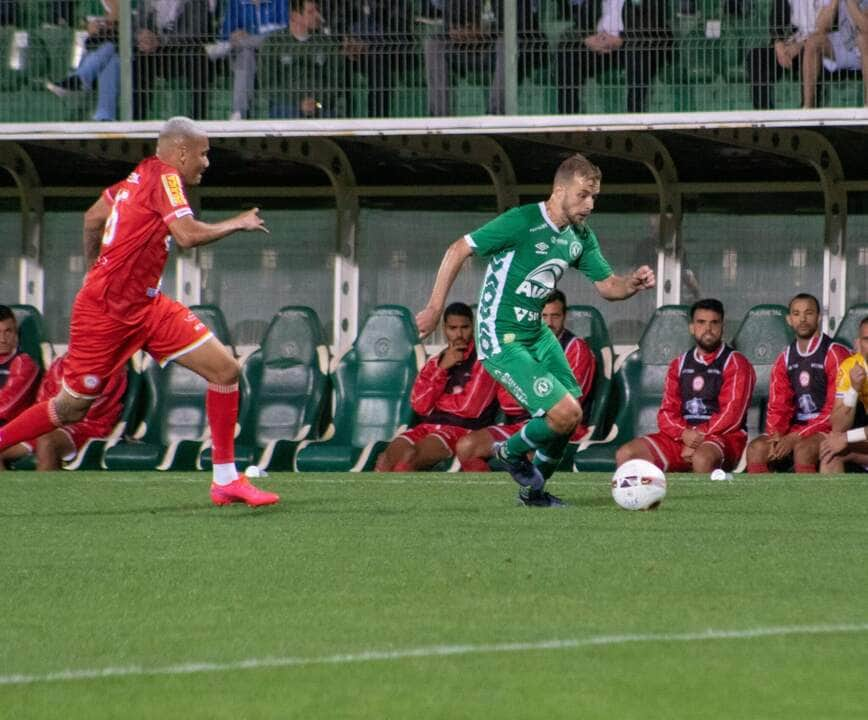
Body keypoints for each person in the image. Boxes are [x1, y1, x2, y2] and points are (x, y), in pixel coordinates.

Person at [0, 116, 278, 506]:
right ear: (181, 152)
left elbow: (93, 217)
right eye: (203, 153)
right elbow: (186, 235)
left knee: (226, 370)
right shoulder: (165, 178)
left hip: (146, 305)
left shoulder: (139, 175)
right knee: (71, 407)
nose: (206, 162)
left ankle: (225, 479)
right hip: (106, 313)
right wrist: (240, 223)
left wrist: (94, 266)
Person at [416, 153, 656, 507]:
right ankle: (509, 452)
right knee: (563, 414)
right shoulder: (523, 221)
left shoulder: (579, 237)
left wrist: (631, 283)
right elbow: (458, 249)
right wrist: (436, 307)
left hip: (535, 332)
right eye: (582, 195)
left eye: (594, 197)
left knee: (570, 414)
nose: (589, 204)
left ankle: (533, 492)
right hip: (500, 335)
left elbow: (607, 286)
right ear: (559, 190)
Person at [455, 290, 596, 472]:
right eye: (543, 316)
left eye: (555, 316)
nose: (549, 322)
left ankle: (532, 495)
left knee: (532, 453)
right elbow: (506, 401)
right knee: (467, 446)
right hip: (522, 425)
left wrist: (527, 390)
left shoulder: (575, 348)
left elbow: (570, 401)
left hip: (558, 428)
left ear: (565, 316)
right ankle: (489, 498)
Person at [615, 298, 756, 474]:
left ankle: (703, 501)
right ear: (691, 327)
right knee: (627, 454)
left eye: (714, 323)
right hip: (682, 436)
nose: (708, 329)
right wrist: (684, 435)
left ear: (722, 327)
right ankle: (641, 501)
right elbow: (666, 413)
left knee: (702, 458)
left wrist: (697, 438)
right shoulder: (679, 364)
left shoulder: (736, 362)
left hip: (723, 437)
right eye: (701, 322)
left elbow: (731, 416)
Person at [376, 302, 497, 471]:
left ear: (473, 326)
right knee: (386, 459)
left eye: (465, 327)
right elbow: (419, 405)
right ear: (444, 329)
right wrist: (442, 370)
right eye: (453, 328)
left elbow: (469, 408)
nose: (459, 334)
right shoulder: (435, 361)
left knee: (408, 458)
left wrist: (436, 401)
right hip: (427, 427)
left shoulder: (484, 361)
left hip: (461, 430)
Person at [745, 294, 850, 473]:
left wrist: (796, 437)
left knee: (803, 449)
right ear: (789, 319)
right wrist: (776, 434)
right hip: (796, 429)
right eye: (796, 314)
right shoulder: (784, 358)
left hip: (828, 428)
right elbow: (778, 406)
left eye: (808, 313)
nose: (802, 319)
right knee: (757, 449)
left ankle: (805, 500)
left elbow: (835, 411)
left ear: (818, 317)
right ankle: (763, 500)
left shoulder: (834, 353)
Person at [0, 354, 126, 471]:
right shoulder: (60, 364)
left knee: (47, 440)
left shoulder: (110, 366)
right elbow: (42, 402)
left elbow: (87, 410)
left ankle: (44, 494)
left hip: (86, 427)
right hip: (54, 424)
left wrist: (58, 414)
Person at [423, 0, 544, 116]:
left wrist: (485, 30)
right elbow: (443, 18)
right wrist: (457, 29)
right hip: (463, 45)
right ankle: (440, 116)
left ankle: (496, 114)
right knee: (434, 45)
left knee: (507, 43)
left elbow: (521, 26)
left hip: (496, 46)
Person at [556, 0, 673, 114]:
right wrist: (587, 40)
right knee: (567, 51)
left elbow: (653, 24)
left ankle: (635, 117)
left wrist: (622, 39)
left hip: (631, 44)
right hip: (599, 45)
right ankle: (568, 116)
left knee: (637, 52)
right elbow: (580, 24)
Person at [259, 0, 345, 118]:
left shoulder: (327, 43)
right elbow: (268, 84)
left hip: (319, 103)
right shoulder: (274, 42)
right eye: (310, 12)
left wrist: (316, 101)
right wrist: (299, 102)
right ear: (295, 16)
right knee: (286, 110)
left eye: (317, 11)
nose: (317, 16)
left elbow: (337, 82)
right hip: (287, 103)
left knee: (326, 110)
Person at [133, 0, 213, 120]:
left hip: (183, 52)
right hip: (156, 52)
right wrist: (141, 35)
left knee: (199, 56)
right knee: (139, 57)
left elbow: (194, 32)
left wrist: (159, 40)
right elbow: (136, 25)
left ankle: (199, 118)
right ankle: (138, 118)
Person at [45, 0, 120, 121]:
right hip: (95, 51)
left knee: (110, 50)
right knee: (110, 58)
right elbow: (80, 25)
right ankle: (105, 116)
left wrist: (108, 22)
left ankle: (79, 79)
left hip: (126, 53)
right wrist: (88, 27)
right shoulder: (89, 3)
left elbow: (123, 19)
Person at [215, 0, 289, 120]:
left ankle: (218, 51)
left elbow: (284, 28)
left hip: (275, 50)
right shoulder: (237, 3)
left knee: (244, 43)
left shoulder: (279, 2)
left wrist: (249, 33)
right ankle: (239, 112)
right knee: (244, 55)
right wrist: (233, 34)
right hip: (248, 52)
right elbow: (225, 32)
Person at [745, 0, 825, 109]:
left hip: (819, 48)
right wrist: (779, 44)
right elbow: (776, 21)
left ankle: (808, 110)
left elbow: (828, 27)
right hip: (791, 43)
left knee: (811, 53)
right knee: (756, 57)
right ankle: (764, 113)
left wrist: (801, 44)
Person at [818, 315, 868, 470]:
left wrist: (846, 438)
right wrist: (853, 389)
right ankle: (831, 495)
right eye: (867, 339)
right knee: (830, 452)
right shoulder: (850, 367)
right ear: (858, 343)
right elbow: (838, 427)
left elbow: (843, 435)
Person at [802, 0, 868, 108]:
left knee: (863, 39)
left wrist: (850, 2)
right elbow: (820, 26)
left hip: (865, 46)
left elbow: (865, 27)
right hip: (847, 43)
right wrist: (834, 2)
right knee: (813, 42)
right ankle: (808, 107)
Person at [0, 305, 40, 427]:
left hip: (10, 432)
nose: (2, 339)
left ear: (16, 334)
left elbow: (5, 407)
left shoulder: (24, 363)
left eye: (8, 331)